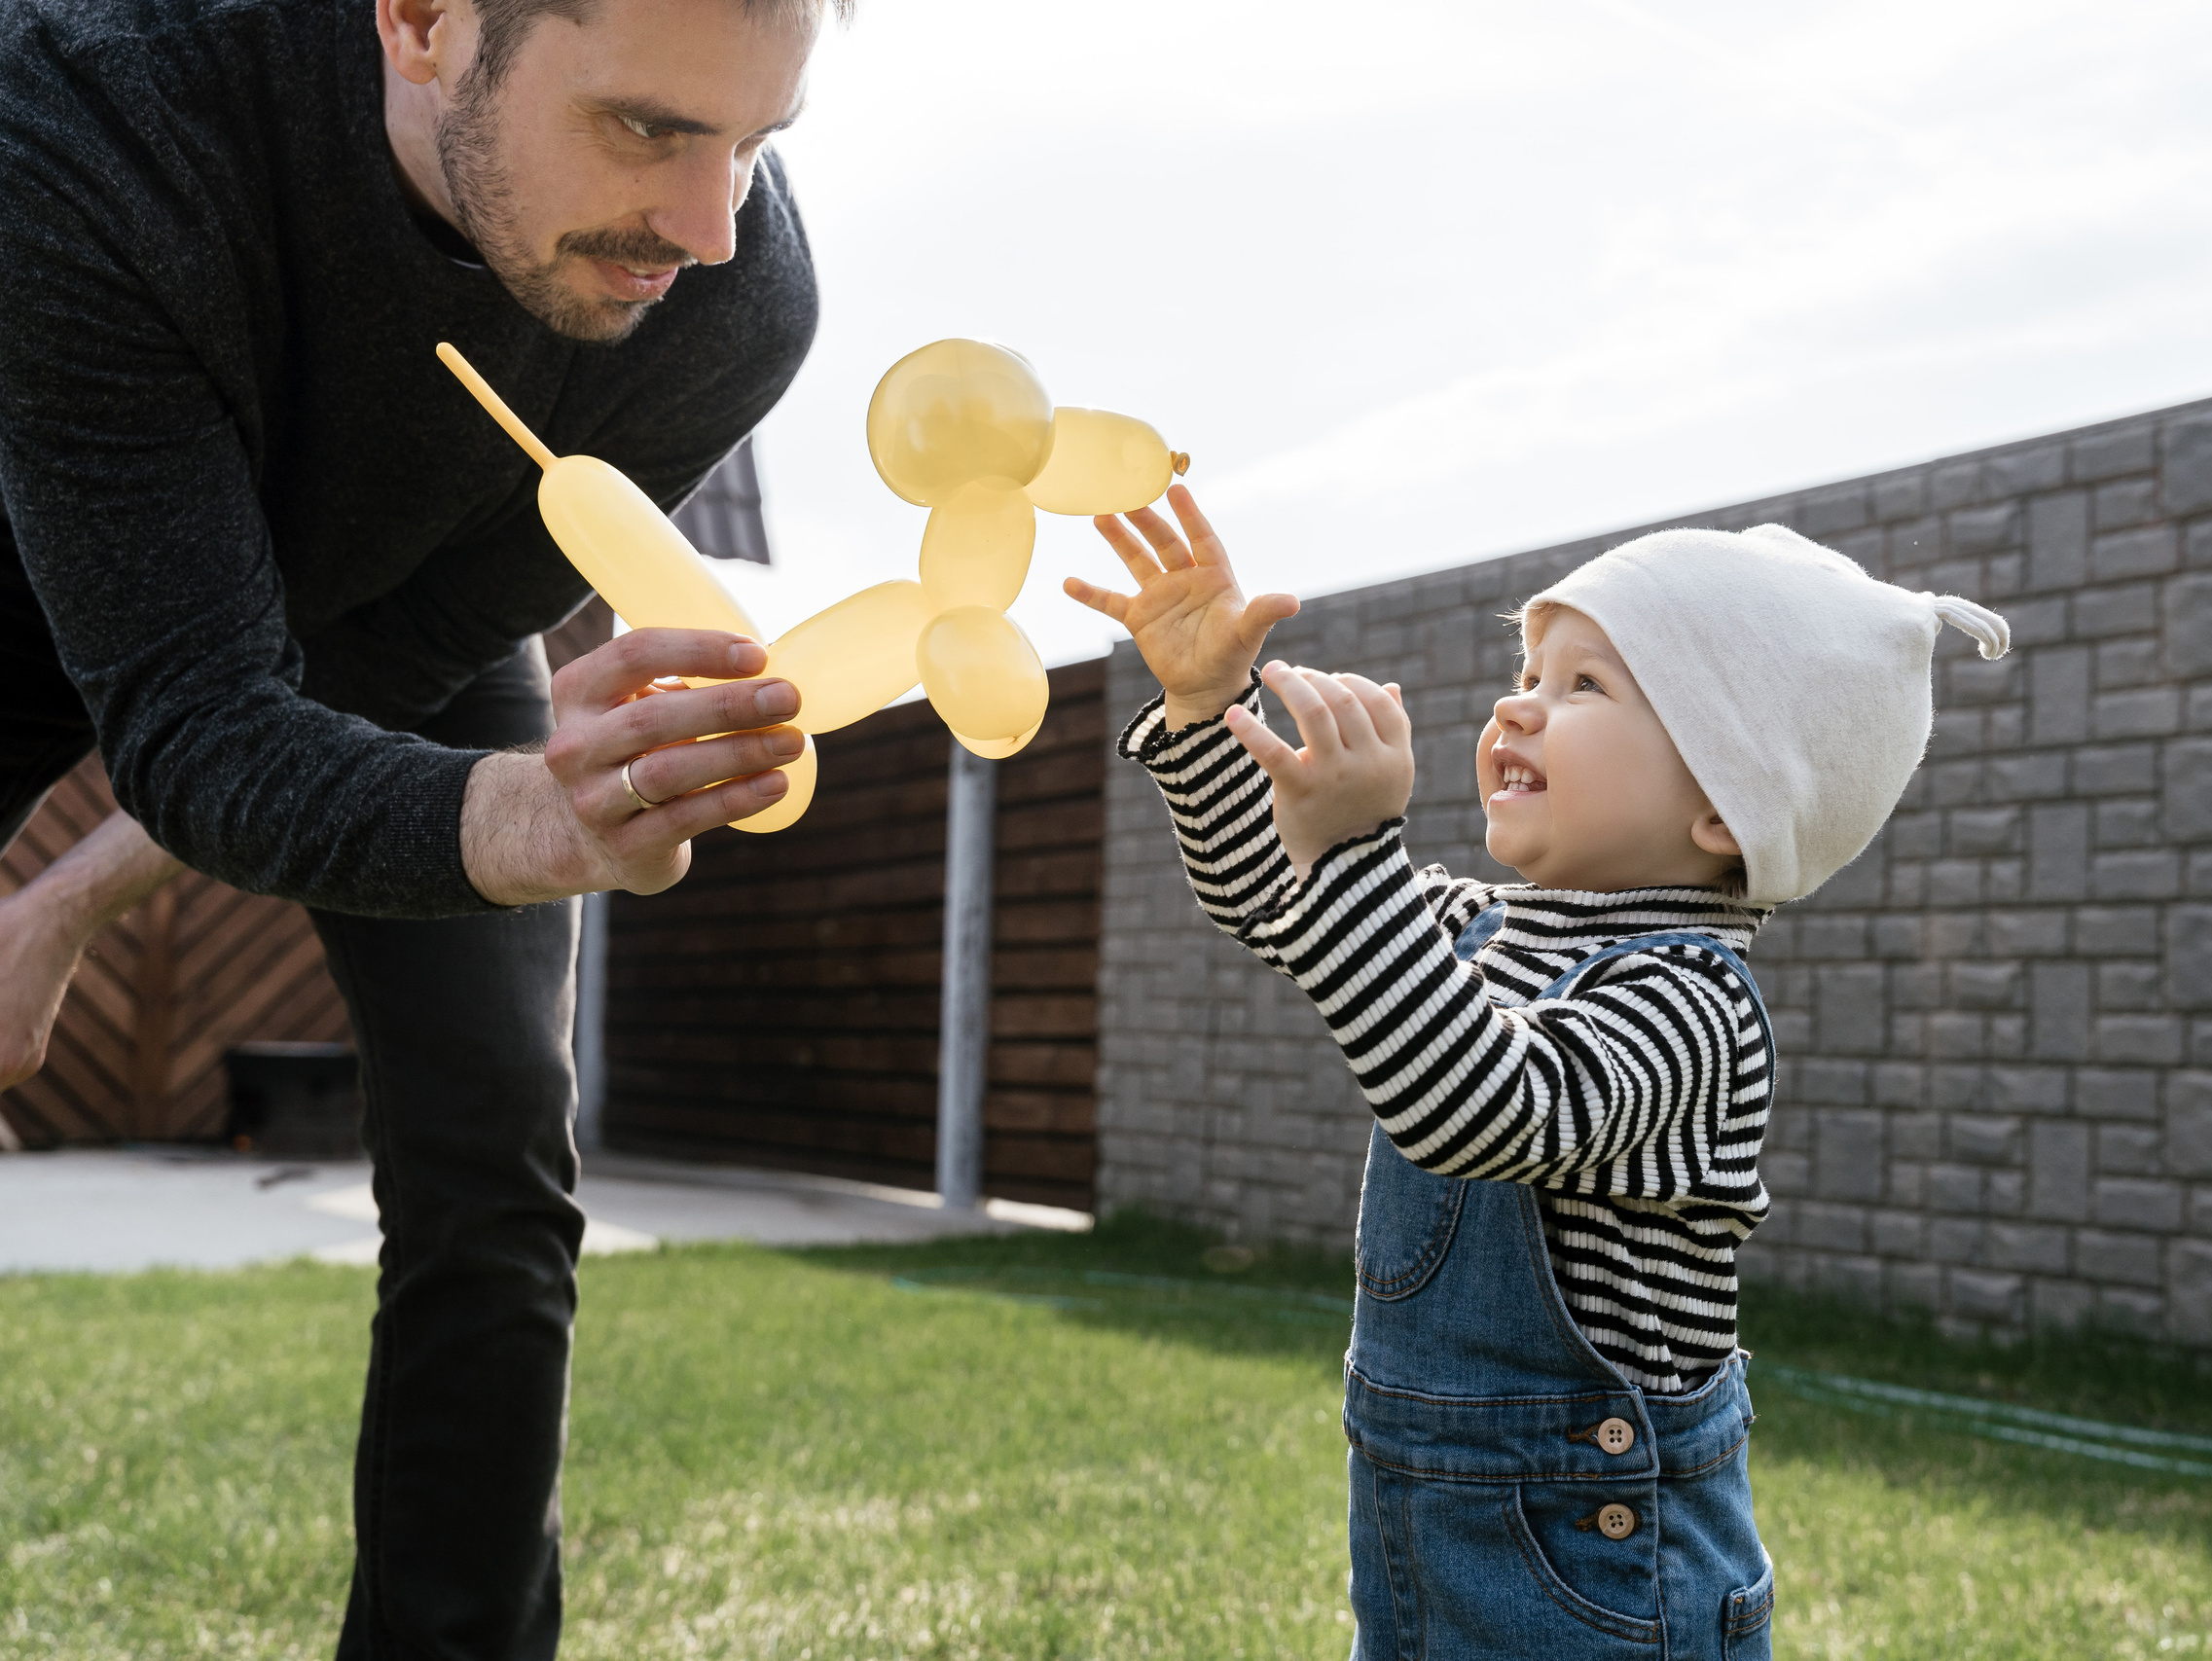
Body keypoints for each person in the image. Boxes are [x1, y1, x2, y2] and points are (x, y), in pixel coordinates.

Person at [0, 0, 836, 1651]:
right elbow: (192, 700)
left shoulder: (734, 307)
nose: (708, 226)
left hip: (409, 630)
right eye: (648, 128)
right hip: (59, 556)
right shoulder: (89, 109)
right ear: (426, 21)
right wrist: (524, 819)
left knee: (499, 1147)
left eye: (754, 143)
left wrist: (62, 906)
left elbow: (373, 668)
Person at [1070, 486, 2010, 1658]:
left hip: (1605, 1583)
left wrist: (1359, 860)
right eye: (1529, 671)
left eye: (1583, 687)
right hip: (1432, 1558)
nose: (1519, 706)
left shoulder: (1689, 1005)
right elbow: (1281, 894)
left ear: (1722, 805)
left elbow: (1484, 1106)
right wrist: (1211, 711)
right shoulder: (1477, 931)